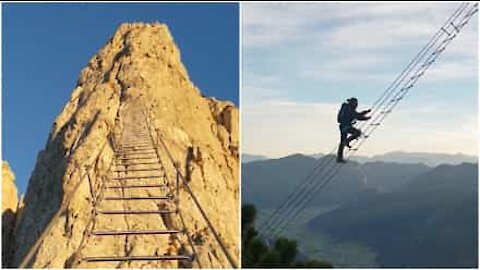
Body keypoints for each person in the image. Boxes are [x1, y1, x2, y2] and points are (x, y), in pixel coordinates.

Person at [336, 97, 371, 163]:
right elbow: (357, 116)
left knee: (342, 142)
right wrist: (366, 118)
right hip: (346, 126)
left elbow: (357, 114)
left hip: (342, 126)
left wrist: (366, 112)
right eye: (356, 103)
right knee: (358, 132)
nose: (356, 105)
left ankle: (339, 157)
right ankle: (347, 141)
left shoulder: (347, 108)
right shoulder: (350, 109)